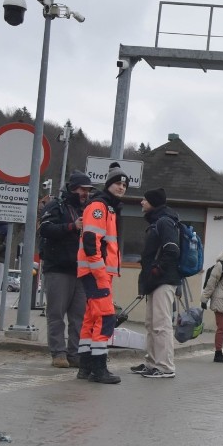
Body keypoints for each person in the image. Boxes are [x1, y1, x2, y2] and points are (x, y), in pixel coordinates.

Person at [77, 163, 128, 384]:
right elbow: (91, 242)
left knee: (92, 318)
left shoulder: (107, 207)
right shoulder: (100, 206)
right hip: (96, 272)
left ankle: (86, 367)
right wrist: (99, 274)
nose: (122, 187)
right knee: (106, 317)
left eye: (125, 184)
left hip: (96, 272)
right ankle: (98, 368)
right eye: (118, 183)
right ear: (109, 185)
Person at [39, 170, 94, 369]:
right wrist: (72, 226)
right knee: (56, 313)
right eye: (82, 189)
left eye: (88, 190)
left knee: (79, 316)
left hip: (81, 269)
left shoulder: (89, 209)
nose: (85, 193)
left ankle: (75, 353)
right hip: (58, 268)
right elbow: (45, 229)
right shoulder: (56, 206)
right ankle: (58, 353)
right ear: (72, 188)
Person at [130, 187, 181, 379]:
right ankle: (151, 363)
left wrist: (157, 269)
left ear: (154, 203)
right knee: (151, 324)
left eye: (145, 200)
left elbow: (172, 250)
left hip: (164, 280)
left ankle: (165, 367)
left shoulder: (165, 222)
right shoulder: (157, 221)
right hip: (155, 281)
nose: (141, 203)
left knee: (161, 325)